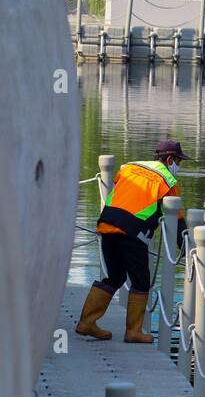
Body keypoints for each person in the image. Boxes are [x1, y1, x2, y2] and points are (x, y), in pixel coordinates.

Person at [75, 140, 191, 343]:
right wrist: (189, 252)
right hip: (131, 231)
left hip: (107, 223)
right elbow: (178, 222)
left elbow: (124, 191)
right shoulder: (168, 182)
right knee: (141, 281)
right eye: (179, 162)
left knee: (115, 276)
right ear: (170, 159)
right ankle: (134, 331)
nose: (178, 167)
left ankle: (86, 322)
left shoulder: (130, 167)